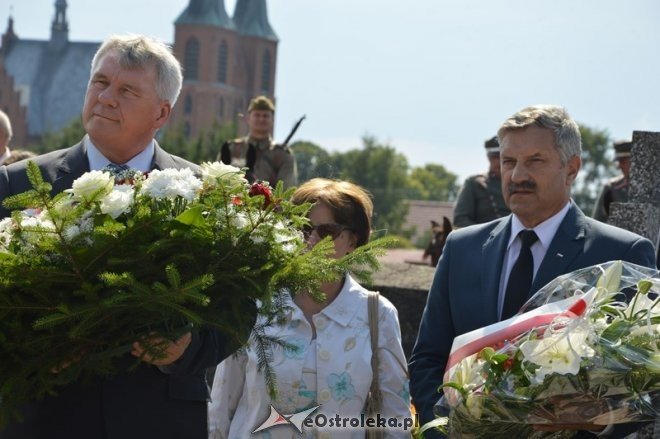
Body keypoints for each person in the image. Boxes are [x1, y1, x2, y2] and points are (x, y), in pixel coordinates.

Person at [0, 34, 253, 439]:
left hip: (159, 419)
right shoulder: (15, 184)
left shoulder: (208, 192)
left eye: (127, 90)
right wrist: (31, 346)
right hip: (47, 417)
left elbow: (237, 307)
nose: (106, 98)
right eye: (100, 83)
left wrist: (187, 347)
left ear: (161, 113)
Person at [409, 105, 656, 438]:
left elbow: (644, 383)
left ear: (572, 168)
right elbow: (427, 359)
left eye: (535, 161)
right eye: (509, 162)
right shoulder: (462, 248)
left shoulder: (621, 253)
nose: (517, 175)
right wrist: (445, 431)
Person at [208, 178, 411, 438]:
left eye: (327, 231)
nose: (311, 239)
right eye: (301, 228)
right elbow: (220, 409)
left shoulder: (378, 314)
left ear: (353, 241)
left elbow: (396, 416)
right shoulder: (256, 304)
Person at [218, 95, 298, 189]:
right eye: (257, 115)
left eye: (265, 116)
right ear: (248, 119)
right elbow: (218, 179)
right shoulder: (231, 149)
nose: (261, 119)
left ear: (272, 120)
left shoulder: (283, 154)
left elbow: (285, 189)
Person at [452, 136, 510, 227]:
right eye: (495, 157)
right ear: (488, 158)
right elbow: (460, 218)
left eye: (503, 157)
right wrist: (483, 234)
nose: (499, 161)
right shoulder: (474, 183)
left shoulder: (518, 183)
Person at [592, 140, 632, 222]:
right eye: (618, 162)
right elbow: (597, 222)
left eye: (623, 162)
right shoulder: (611, 188)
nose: (619, 167)